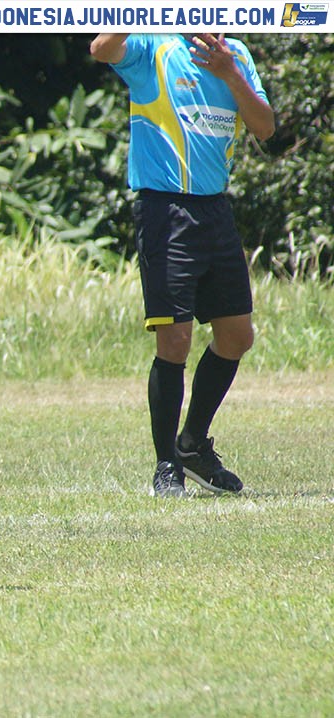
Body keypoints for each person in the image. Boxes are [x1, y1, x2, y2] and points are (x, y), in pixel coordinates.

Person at [90, 33, 275, 497]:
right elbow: (101, 50)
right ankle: (166, 465)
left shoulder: (237, 52)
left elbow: (266, 127)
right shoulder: (154, 44)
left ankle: (192, 445)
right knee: (174, 339)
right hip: (164, 210)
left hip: (215, 209)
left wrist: (230, 72)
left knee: (237, 336)